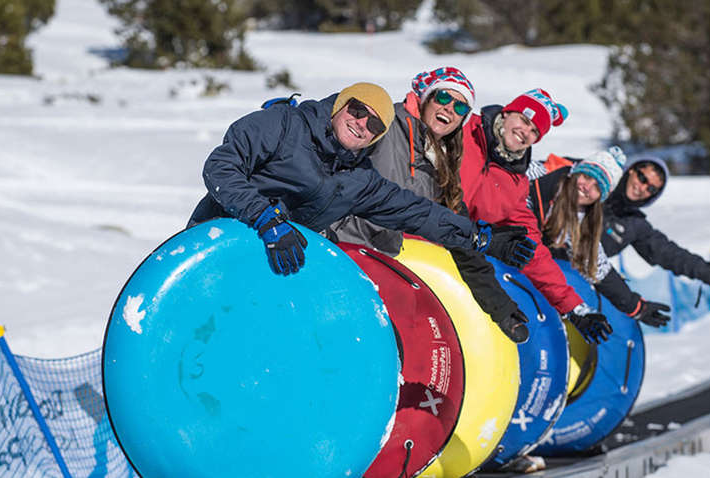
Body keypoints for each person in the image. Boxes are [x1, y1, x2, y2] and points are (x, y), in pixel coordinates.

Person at [187, 81, 530, 277]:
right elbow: (221, 167)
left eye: (375, 125)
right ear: (340, 105)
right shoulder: (285, 124)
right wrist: (265, 218)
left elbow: (418, 213)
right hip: (216, 244)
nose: (362, 123)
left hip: (277, 266)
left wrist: (480, 239)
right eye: (357, 110)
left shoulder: (360, 180)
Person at [329, 67, 537, 343]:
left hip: (372, 266)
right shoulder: (387, 125)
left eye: (460, 106)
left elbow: (462, 246)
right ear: (426, 98)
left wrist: (502, 308)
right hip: (334, 250)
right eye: (443, 98)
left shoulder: (440, 168)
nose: (450, 108)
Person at [460, 89, 612, 344]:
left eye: (535, 132)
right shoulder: (463, 129)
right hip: (403, 233)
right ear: (507, 113)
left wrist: (574, 309)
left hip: (452, 250)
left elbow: (533, 251)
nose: (525, 133)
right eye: (525, 121)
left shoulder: (516, 185)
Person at [527, 147, 671, 328]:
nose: (586, 187)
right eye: (587, 177)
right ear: (575, 173)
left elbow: (596, 268)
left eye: (597, 187)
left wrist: (636, 307)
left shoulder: (577, 218)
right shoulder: (536, 176)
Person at [601, 157, 710, 296]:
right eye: (642, 178)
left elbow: (672, 255)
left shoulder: (634, 225)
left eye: (651, 189)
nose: (642, 188)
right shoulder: (598, 180)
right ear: (631, 170)